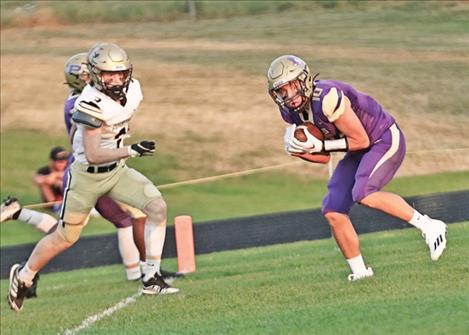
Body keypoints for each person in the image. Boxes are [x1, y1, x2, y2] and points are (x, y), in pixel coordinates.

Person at [8, 42, 178, 312]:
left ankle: (151, 277)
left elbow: (115, 118)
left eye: (120, 73)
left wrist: (119, 141)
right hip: (88, 175)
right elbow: (95, 154)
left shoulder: (134, 89)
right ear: (95, 74)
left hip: (117, 171)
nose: (115, 79)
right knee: (66, 236)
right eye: (107, 74)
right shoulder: (88, 102)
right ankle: (24, 275)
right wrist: (130, 149)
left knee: (156, 207)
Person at [266, 55, 448, 281]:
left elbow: (361, 139)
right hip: (357, 149)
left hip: (382, 138)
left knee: (364, 193)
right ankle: (361, 273)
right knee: (333, 210)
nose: (289, 95)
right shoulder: (290, 113)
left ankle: (429, 226)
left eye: (292, 85)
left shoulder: (327, 97)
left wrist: (321, 144)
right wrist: (301, 151)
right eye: (282, 91)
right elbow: (324, 158)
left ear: (304, 80)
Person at [33, 146, 69, 214]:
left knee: (64, 183)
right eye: (59, 162)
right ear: (52, 161)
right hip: (51, 200)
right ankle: (56, 207)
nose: (62, 164)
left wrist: (55, 175)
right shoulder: (45, 170)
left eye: (64, 161)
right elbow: (36, 179)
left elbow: (68, 175)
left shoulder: (69, 169)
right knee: (44, 184)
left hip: (67, 198)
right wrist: (49, 180)